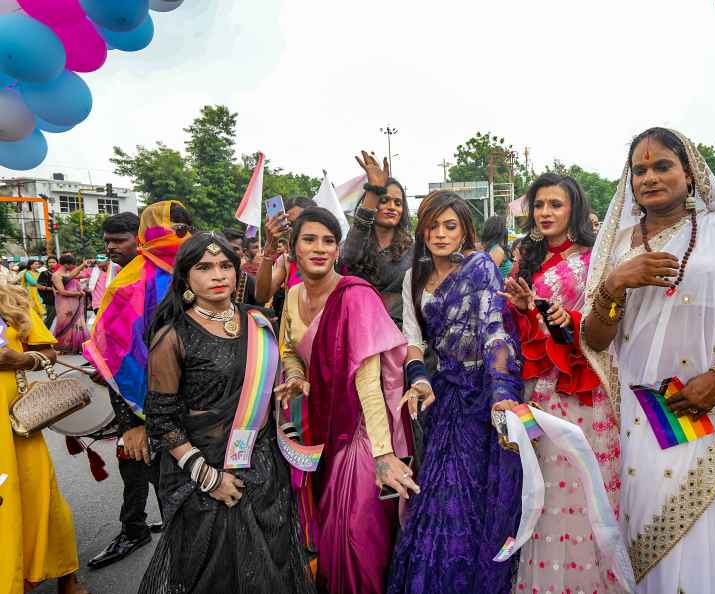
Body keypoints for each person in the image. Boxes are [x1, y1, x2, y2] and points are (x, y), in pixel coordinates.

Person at [581, 128, 715, 594]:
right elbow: (596, 339)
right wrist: (615, 285)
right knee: (640, 529)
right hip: (639, 416)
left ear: (690, 172)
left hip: (711, 413)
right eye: (640, 170)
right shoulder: (617, 243)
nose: (650, 177)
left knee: (703, 543)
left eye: (662, 166)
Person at [139, 232, 315, 593]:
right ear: (186, 277)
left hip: (264, 469)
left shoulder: (259, 320)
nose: (217, 275)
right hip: (205, 474)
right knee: (218, 576)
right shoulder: (173, 336)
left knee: (273, 564)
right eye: (204, 267)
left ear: (237, 274)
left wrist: (294, 375)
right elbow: (161, 419)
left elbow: (288, 356)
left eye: (225, 266)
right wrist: (209, 478)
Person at [387, 192, 523, 593]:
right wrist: (420, 379)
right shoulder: (415, 275)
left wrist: (500, 393)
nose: (440, 234)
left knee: (472, 501)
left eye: (450, 226)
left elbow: (493, 330)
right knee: (436, 499)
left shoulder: (479, 267)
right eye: (432, 225)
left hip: (481, 401)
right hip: (442, 396)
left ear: (465, 229)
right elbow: (413, 340)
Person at [277, 207, 413, 594]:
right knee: (324, 531)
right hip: (318, 425)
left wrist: (383, 455)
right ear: (294, 249)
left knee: (355, 536)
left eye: (328, 240)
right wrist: (297, 375)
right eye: (309, 239)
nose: (319, 248)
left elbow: (368, 381)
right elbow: (290, 349)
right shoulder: (291, 297)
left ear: (338, 249)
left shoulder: (355, 296)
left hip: (359, 432)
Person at [500, 173, 622, 593]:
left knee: (583, 487)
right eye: (539, 205)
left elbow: (606, 326)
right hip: (541, 390)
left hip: (583, 388)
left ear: (574, 209)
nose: (545, 213)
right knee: (546, 489)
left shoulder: (595, 259)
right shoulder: (525, 260)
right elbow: (523, 333)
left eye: (555, 204)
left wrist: (565, 322)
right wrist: (524, 309)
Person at [83, 204, 192, 569]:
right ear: (149, 233)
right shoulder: (127, 285)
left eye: (184, 227)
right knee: (152, 478)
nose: (178, 234)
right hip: (145, 409)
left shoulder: (195, 271)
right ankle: (139, 532)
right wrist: (131, 423)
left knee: (192, 489)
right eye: (170, 227)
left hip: (196, 407)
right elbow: (115, 356)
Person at [0, 285, 88, 594]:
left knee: (40, 494)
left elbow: (51, 352)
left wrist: (20, 361)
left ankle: (67, 576)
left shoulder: (8, 300)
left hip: (14, 424)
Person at [340, 151, 414, 326]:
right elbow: (349, 257)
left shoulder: (413, 249)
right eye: (384, 200)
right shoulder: (356, 242)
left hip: (399, 331)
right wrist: (373, 190)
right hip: (359, 327)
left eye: (398, 203)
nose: (391, 207)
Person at [254, 197, 316, 306]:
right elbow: (261, 296)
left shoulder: (331, 258)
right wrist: (269, 249)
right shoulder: (286, 262)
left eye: (301, 223)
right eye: (290, 224)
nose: (294, 229)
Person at [51, 254, 90, 353]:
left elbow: (77, 274)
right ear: (66, 265)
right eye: (73, 264)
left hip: (75, 301)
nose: (74, 266)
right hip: (64, 302)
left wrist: (84, 265)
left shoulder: (68, 273)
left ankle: (77, 346)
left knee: (77, 322)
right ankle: (62, 346)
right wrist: (78, 293)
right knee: (64, 322)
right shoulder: (56, 276)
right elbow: (62, 291)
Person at [221, 228, 258, 305]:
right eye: (225, 247)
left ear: (243, 252)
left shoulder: (250, 283)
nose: (229, 252)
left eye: (235, 249)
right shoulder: (207, 278)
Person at [480, 214, 513, 278]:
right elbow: (490, 277)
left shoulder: (492, 248)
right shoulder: (497, 250)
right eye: (504, 226)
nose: (506, 229)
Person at [38, 256, 58, 327]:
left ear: (57, 263)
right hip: (50, 299)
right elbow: (39, 286)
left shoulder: (61, 272)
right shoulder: (44, 273)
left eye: (53, 262)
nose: (51, 264)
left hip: (63, 298)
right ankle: (43, 332)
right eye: (49, 262)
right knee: (50, 318)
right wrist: (51, 289)